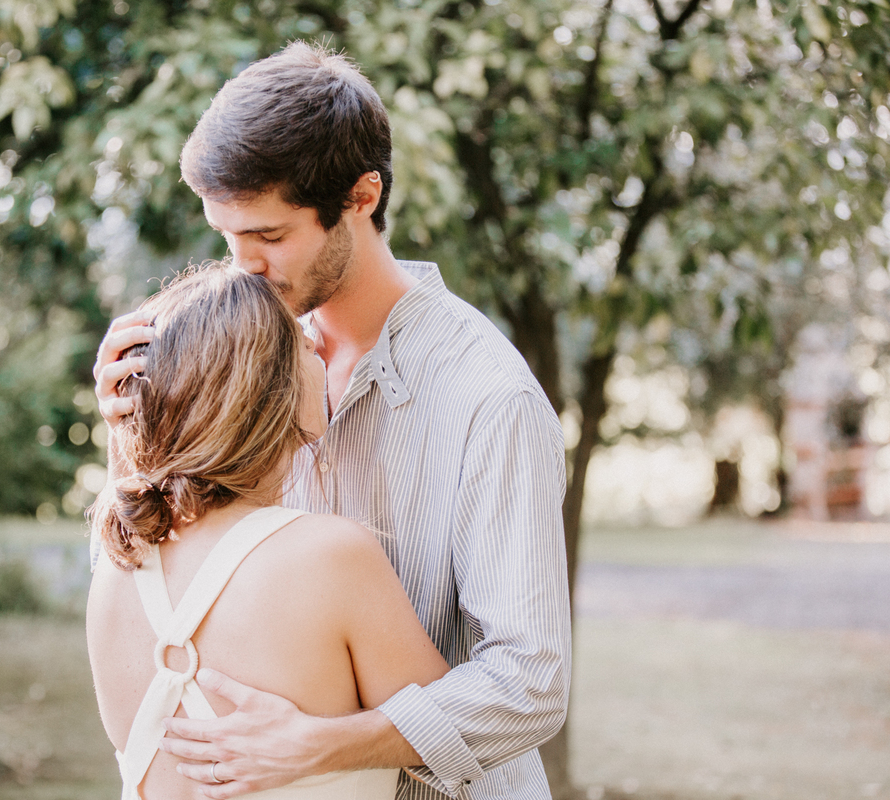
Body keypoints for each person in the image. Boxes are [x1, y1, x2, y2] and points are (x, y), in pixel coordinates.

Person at [93, 43, 571, 800]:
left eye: (270, 236)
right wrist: (134, 428)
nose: (242, 266)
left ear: (362, 196)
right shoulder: (241, 360)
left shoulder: (489, 397)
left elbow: (532, 681)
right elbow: (175, 572)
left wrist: (327, 747)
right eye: (228, 236)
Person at [86, 266, 451, 800]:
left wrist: (130, 427)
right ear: (264, 383)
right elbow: (456, 734)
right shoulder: (330, 557)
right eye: (302, 342)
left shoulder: (116, 566)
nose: (320, 353)